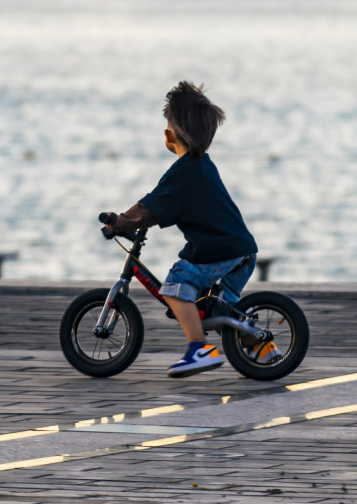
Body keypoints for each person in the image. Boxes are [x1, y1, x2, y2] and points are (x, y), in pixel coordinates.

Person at [104, 81, 279, 377]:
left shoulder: (182, 173)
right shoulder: (202, 166)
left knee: (175, 286)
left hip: (219, 251)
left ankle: (199, 348)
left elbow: (148, 208)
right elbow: (162, 205)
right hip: (241, 250)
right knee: (220, 309)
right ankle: (261, 346)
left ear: (169, 135)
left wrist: (118, 221)